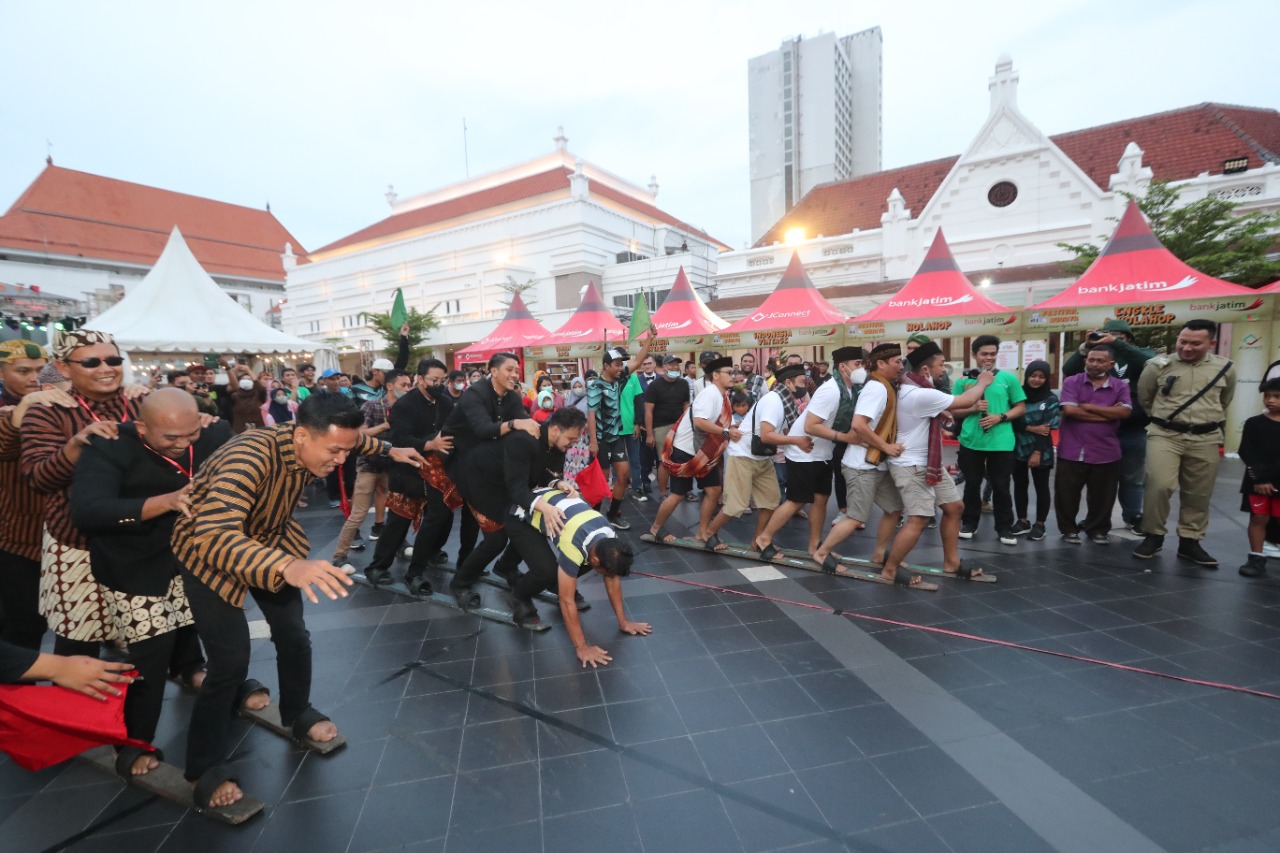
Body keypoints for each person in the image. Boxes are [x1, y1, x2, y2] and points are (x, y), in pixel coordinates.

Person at [171, 392, 425, 809]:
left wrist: (389, 448)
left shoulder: (323, 437)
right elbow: (215, 534)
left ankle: (298, 712)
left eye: (345, 450)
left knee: (293, 635)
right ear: (301, 435)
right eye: (333, 451)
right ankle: (203, 766)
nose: (340, 461)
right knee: (229, 662)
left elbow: (354, 440)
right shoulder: (248, 457)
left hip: (269, 538)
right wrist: (287, 568)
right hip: (209, 555)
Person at [70, 389, 228, 775]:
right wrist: (165, 501)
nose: (182, 444)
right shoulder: (109, 445)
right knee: (149, 658)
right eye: (170, 437)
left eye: (189, 434)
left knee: (201, 629)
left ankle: (192, 668)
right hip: (136, 566)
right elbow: (87, 512)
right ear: (142, 426)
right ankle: (133, 742)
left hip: (200, 559)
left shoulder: (213, 433)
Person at [20, 330, 146, 656]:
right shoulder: (47, 409)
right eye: (91, 362)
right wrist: (76, 445)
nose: (106, 368)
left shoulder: (143, 402)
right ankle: (77, 707)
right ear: (64, 368)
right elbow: (38, 478)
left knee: (150, 637)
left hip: (142, 538)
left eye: (113, 360)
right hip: (77, 543)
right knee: (79, 642)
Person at [449, 407, 587, 626]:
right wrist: (545, 507)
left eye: (576, 439)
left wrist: (559, 483)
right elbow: (517, 490)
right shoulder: (524, 440)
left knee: (523, 522)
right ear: (554, 430)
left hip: (511, 484)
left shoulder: (559, 445)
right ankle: (460, 582)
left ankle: (506, 566)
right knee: (497, 539)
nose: (573, 444)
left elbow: (544, 475)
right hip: (481, 482)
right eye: (571, 438)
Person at [881, 342, 995, 582]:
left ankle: (951, 563)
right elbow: (964, 401)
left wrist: (939, 411)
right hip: (912, 465)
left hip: (928, 462)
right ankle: (890, 569)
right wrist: (983, 381)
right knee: (919, 519)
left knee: (954, 508)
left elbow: (948, 407)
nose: (945, 369)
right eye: (941, 365)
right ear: (925, 369)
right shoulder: (919, 393)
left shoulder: (918, 386)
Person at [1132, 319, 1237, 565]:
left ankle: (1190, 541)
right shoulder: (1158, 366)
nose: (1187, 348)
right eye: (1183, 342)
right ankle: (1154, 535)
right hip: (1165, 433)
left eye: (1195, 343)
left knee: (1199, 492)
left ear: (1211, 343)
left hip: (1206, 436)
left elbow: (1225, 400)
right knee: (1158, 484)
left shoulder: (1225, 368)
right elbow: (1146, 398)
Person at [512, 487, 649, 664]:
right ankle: (519, 595)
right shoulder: (574, 546)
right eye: (605, 572)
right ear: (595, 557)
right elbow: (566, 600)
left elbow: (612, 578)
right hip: (521, 513)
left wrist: (624, 622)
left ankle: (547, 579)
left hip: (554, 506)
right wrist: (582, 648)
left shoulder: (610, 538)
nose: (609, 577)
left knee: (570, 569)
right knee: (546, 572)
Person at [753, 347, 863, 559]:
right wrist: (845, 438)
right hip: (803, 452)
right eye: (857, 364)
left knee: (822, 498)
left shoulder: (849, 390)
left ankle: (815, 547)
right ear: (843, 367)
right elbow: (812, 426)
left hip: (822, 452)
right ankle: (764, 538)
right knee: (797, 500)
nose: (861, 368)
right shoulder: (830, 390)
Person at [362, 359, 461, 590]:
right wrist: (429, 444)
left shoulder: (445, 402)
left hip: (437, 471)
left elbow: (451, 431)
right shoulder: (404, 406)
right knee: (399, 520)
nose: (438, 384)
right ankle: (378, 567)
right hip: (408, 472)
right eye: (433, 380)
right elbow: (399, 440)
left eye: (441, 380)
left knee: (441, 515)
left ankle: (422, 562)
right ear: (420, 379)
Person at [811, 344, 907, 575]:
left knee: (894, 509)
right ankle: (821, 553)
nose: (901, 366)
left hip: (876, 463)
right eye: (897, 362)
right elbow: (858, 425)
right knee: (855, 517)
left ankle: (879, 553)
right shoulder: (877, 389)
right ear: (882, 364)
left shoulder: (884, 386)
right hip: (861, 466)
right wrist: (886, 447)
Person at [702, 364, 811, 551]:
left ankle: (758, 542)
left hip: (762, 457)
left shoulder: (787, 402)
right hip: (742, 455)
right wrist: (797, 441)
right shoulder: (774, 401)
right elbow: (767, 435)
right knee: (735, 506)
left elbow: (784, 430)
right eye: (801, 382)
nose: (805, 385)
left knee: (770, 501)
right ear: (788, 382)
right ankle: (709, 534)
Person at [1063, 319, 1154, 535]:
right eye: (1106, 334)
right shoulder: (1094, 355)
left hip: (1132, 428)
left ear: (1128, 338)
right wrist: (1087, 347)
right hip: (1098, 431)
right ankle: (1095, 519)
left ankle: (1133, 516)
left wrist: (1119, 344)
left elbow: (1151, 363)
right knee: (1098, 481)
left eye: (1116, 334)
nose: (1109, 338)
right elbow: (1069, 369)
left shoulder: (1140, 354)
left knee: (1132, 477)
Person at [642, 356, 740, 544]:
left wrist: (735, 429)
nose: (733, 376)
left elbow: (727, 424)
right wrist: (726, 432)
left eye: (733, 372)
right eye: (729, 373)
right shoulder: (710, 394)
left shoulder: (722, 397)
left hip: (702, 453)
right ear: (716, 375)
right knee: (678, 494)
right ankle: (655, 529)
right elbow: (700, 422)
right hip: (685, 450)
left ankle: (702, 533)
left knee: (713, 490)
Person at [0, 340, 55, 650]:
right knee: (22, 627)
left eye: (39, 370)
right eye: (23, 371)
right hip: (16, 539)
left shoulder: (59, 402)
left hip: (64, 534)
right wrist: (20, 412)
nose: (34, 377)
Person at [951, 335, 1026, 546]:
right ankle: (969, 523)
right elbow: (953, 411)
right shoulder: (963, 381)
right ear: (975, 355)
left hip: (1001, 442)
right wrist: (972, 408)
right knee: (972, 485)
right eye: (984, 354)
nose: (989, 358)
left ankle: (1004, 528)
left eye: (993, 354)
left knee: (1001, 486)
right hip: (971, 441)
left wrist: (1000, 417)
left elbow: (1020, 407)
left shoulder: (1008, 379)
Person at [332, 370, 410, 566]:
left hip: (393, 467)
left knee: (397, 510)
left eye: (410, 385)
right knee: (358, 512)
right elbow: (360, 434)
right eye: (404, 385)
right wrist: (384, 426)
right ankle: (339, 556)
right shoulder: (373, 405)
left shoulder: (405, 408)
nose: (408, 389)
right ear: (390, 386)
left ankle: (399, 543)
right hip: (368, 465)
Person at [1055, 346, 1131, 545]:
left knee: (1103, 495)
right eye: (1091, 360)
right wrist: (1107, 414)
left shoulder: (1120, 386)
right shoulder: (1072, 381)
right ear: (1085, 360)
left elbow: (1124, 413)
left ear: (1110, 364)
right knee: (1066, 494)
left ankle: (1097, 529)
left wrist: (1087, 406)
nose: (1094, 364)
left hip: (1105, 449)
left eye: (1100, 361)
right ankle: (1069, 529)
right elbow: (1070, 411)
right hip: (1071, 449)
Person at [587, 335, 655, 530]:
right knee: (601, 480)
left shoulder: (619, 379)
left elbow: (639, 360)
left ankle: (612, 514)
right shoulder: (595, 386)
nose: (620, 368)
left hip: (616, 438)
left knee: (624, 475)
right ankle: (593, 518)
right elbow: (591, 415)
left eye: (620, 365)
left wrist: (649, 339)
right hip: (600, 441)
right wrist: (593, 442)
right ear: (606, 366)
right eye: (616, 364)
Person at [1011, 360, 1060, 541]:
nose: (1036, 380)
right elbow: (1013, 419)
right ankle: (1022, 521)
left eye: (1041, 376)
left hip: (1041, 448)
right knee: (1019, 484)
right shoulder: (1018, 395)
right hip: (1018, 446)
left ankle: (1040, 524)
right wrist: (1032, 428)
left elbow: (1047, 428)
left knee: (1041, 487)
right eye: (1033, 375)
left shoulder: (1051, 399)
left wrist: (1037, 452)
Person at [1237, 379, 1280, 578]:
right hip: (1258, 483)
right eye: (1267, 396)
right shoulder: (1254, 423)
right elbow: (1246, 451)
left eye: (1277, 397)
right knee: (1258, 518)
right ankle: (1256, 557)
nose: (1270, 400)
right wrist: (1260, 479)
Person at [644, 355, 691, 500]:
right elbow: (648, 411)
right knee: (664, 461)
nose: (675, 367)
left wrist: (688, 425)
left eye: (677, 365)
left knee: (683, 458)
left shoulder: (683, 384)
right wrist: (650, 434)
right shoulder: (655, 386)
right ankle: (664, 492)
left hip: (681, 427)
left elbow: (686, 405)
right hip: (661, 427)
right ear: (664, 367)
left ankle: (685, 490)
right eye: (671, 365)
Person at [626, 355, 659, 500]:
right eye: (644, 364)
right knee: (644, 456)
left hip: (661, 422)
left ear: (654, 364)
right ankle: (644, 482)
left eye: (649, 363)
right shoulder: (636, 380)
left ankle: (664, 483)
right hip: (644, 424)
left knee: (661, 456)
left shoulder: (662, 379)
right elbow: (638, 404)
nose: (647, 366)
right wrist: (639, 423)